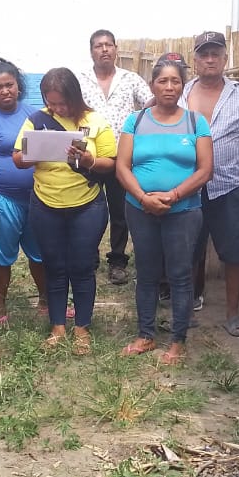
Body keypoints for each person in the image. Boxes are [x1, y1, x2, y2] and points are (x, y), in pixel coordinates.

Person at [116, 53, 213, 365]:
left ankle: (177, 340)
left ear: (183, 86)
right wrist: (144, 198)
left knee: (180, 274)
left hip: (183, 211)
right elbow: (122, 167)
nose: (169, 87)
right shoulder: (135, 121)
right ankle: (145, 334)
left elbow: (205, 170)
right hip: (140, 209)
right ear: (152, 85)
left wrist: (173, 195)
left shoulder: (195, 122)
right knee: (146, 272)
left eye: (175, 81)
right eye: (163, 81)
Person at [13, 68, 116, 354]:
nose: (58, 108)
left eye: (63, 103)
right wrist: (34, 153)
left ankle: (82, 327)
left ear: (75, 96)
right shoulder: (37, 120)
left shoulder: (94, 121)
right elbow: (17, 158)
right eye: (52, 103)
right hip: (46, 204)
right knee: (54, 266)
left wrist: (89, 160)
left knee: (82, 267)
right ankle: (57, 326)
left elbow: (111, 162)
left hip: (87, 205)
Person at [181, 31, 239, 337]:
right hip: (188, 186)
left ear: (225, 59)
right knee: (188, 249)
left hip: (228, 186)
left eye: (216, 54)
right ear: (195, 60)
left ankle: (233, 313)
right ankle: (186, 308)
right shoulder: (183, 93)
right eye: (204, 54)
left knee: (235, 252)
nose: (210, 59)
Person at [0, 57, 47, 324]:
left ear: (19, 86)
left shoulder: (34, 115)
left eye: (10, 85)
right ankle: (0, 307)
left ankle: (45, 301)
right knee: (0, 256)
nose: (5, 91)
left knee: (40, 252)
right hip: (1, 199)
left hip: (38, 197)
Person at [76, 30, 152, 286]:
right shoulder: (80, 79)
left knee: (120, 211)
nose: (104, 49)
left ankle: (118, 261)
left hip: (122, 157)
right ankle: (89, 256)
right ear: (91, 51)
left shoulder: (130, 79)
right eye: (99, 46)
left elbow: (151, 102)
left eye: (109, 45)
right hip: (89, 157)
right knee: (87, 209)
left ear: (116, 49)